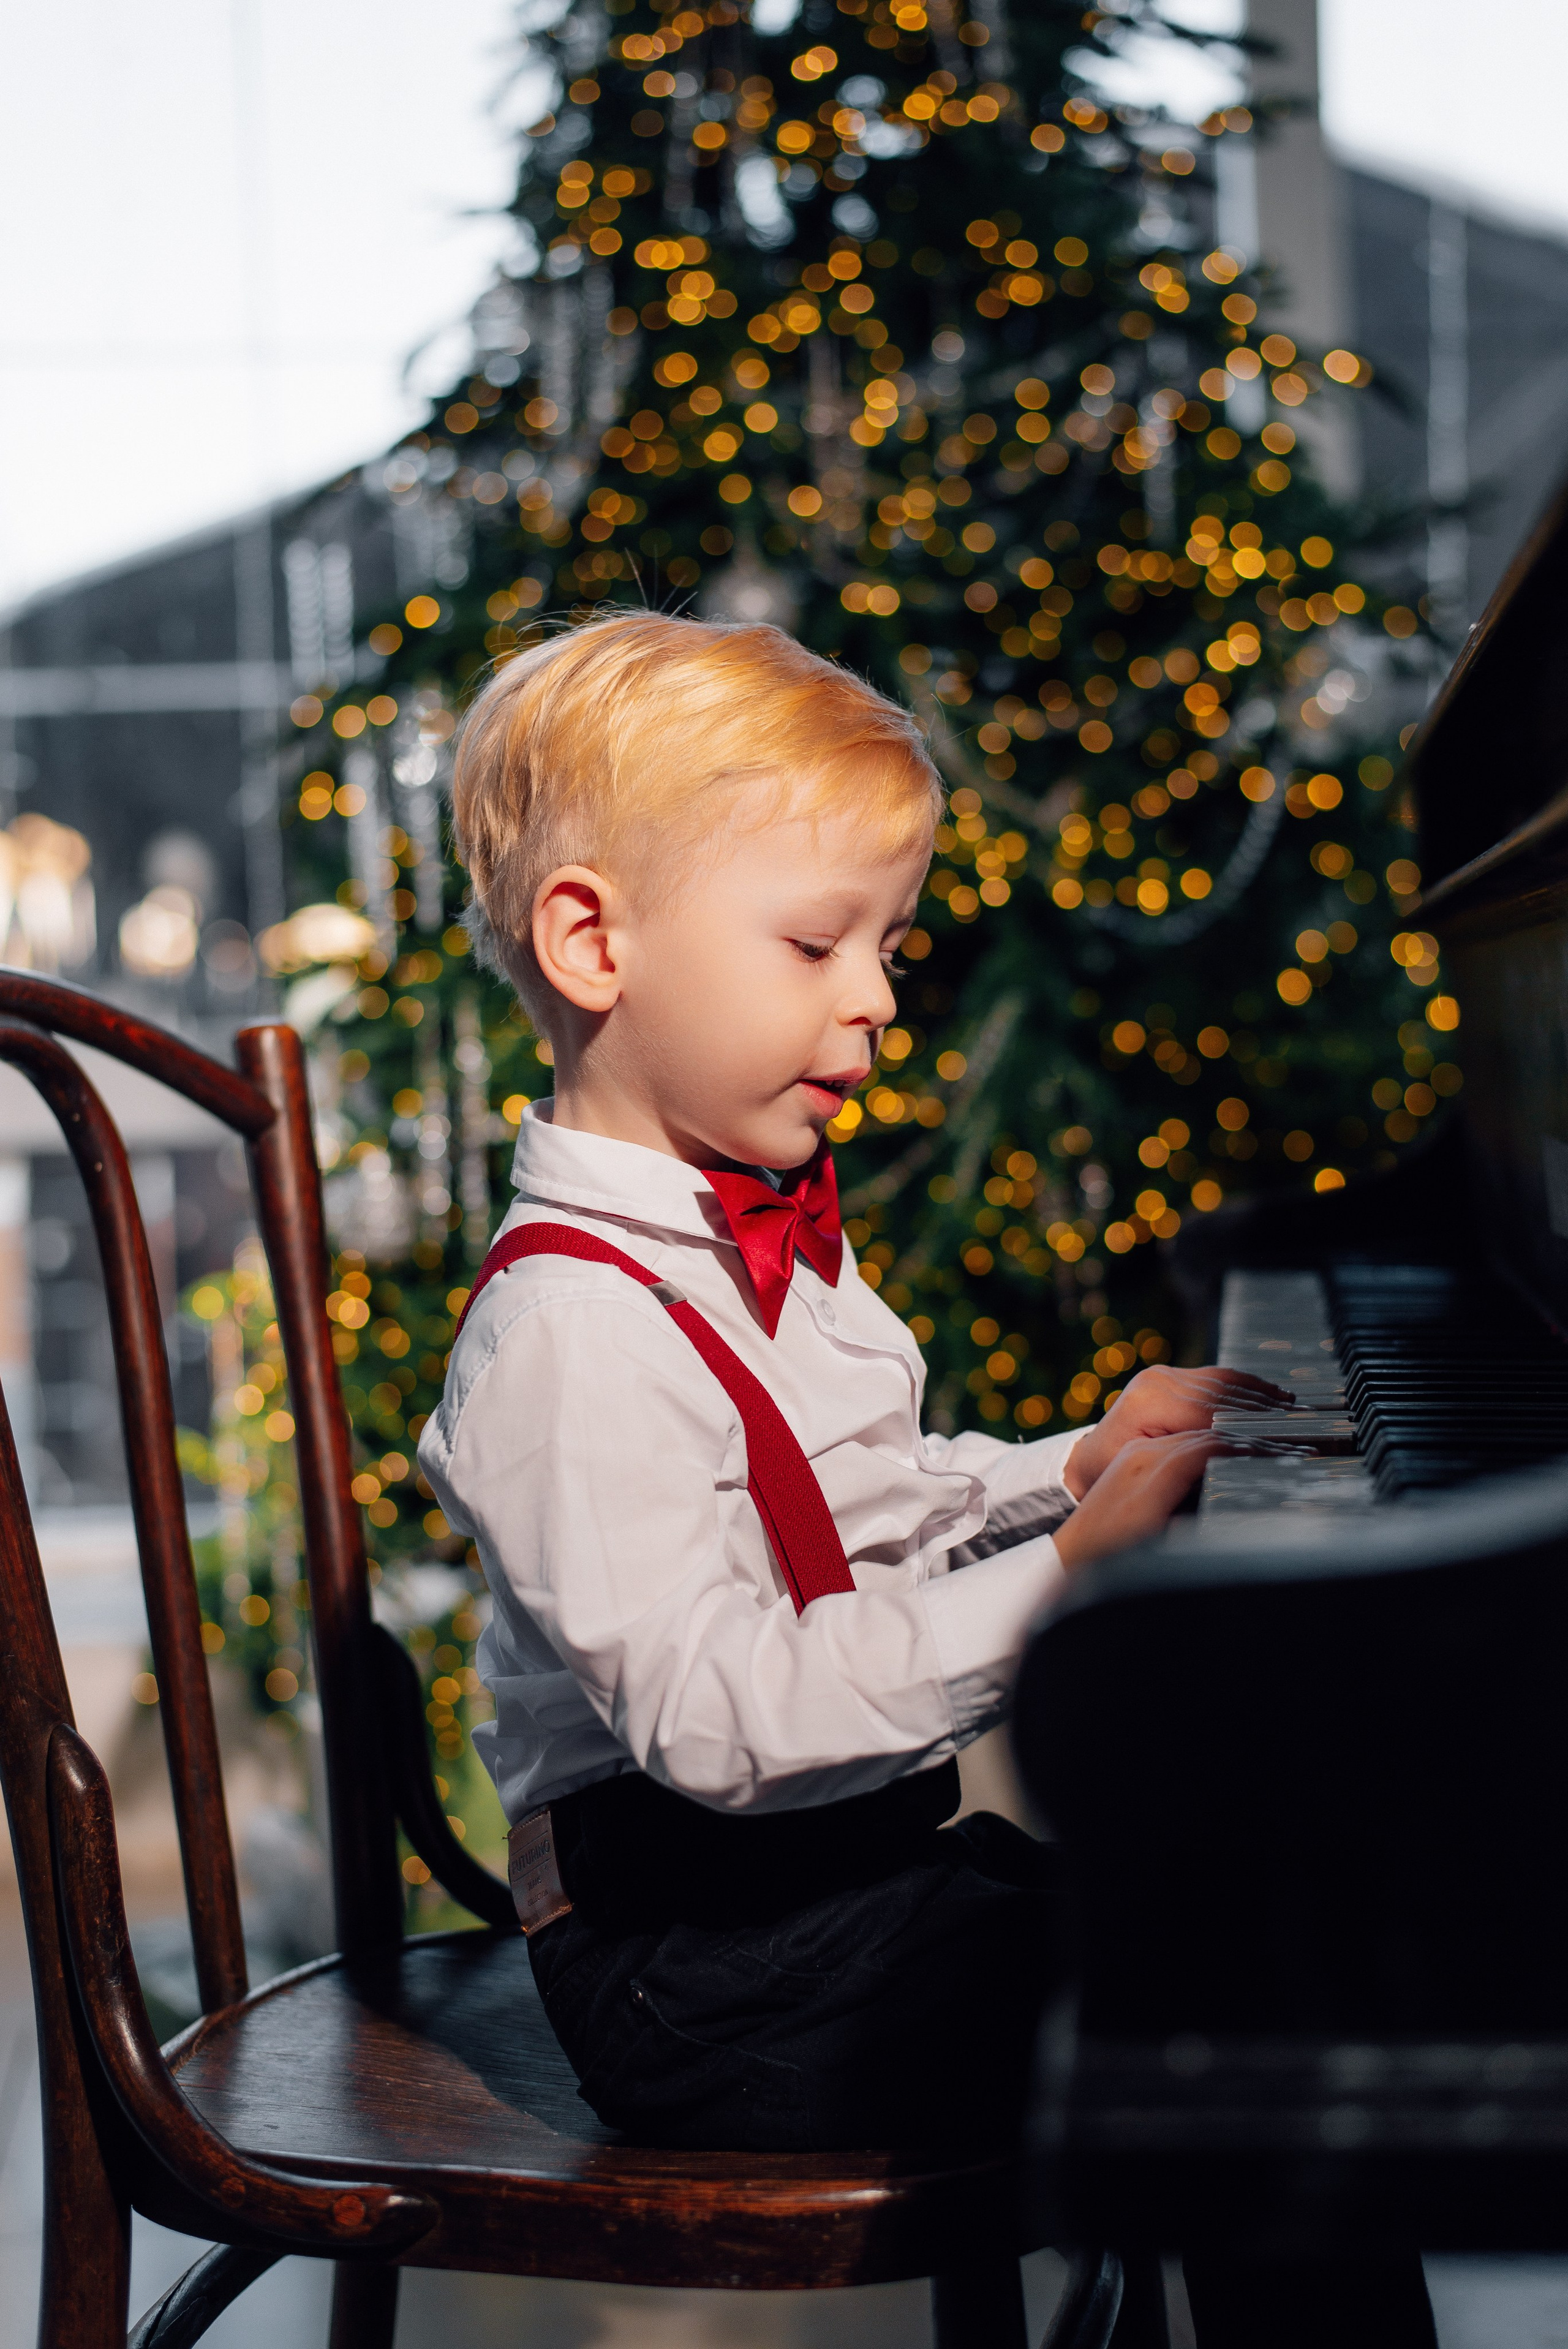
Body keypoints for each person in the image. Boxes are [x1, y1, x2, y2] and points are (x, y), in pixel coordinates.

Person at [418, 608, 1281, 2155]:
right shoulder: (568, 1329)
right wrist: (1065, 1587)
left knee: (1227, 1900)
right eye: (817, 942)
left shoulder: (751, 1241)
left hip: (834, 1900)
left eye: (885, 945)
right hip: (693, 1978)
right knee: (1227, 2012)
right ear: (593, 943)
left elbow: (850, 1512)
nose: (877, 995)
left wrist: (1066, 1470)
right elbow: (723, 1713)